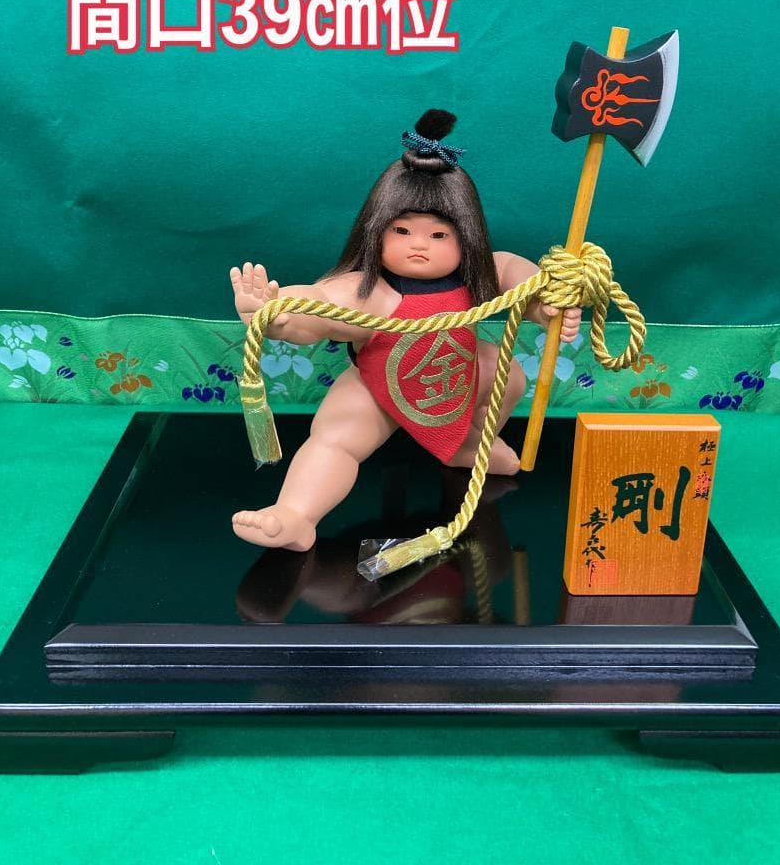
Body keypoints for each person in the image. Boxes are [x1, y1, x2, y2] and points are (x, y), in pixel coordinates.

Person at [230, 110, 581, 551]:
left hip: (456, 378)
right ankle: (295, 514)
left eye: (438, 235)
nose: (418, 244)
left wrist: (546, 303)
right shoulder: (369, 291)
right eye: (402, 230)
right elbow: (320, 304)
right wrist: (277, 314)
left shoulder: (474, 277)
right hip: (376, 388)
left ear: (466, 237)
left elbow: (512, 270)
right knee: (336, 439)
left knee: (507, 375)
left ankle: (468, 443)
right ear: (375, 231)